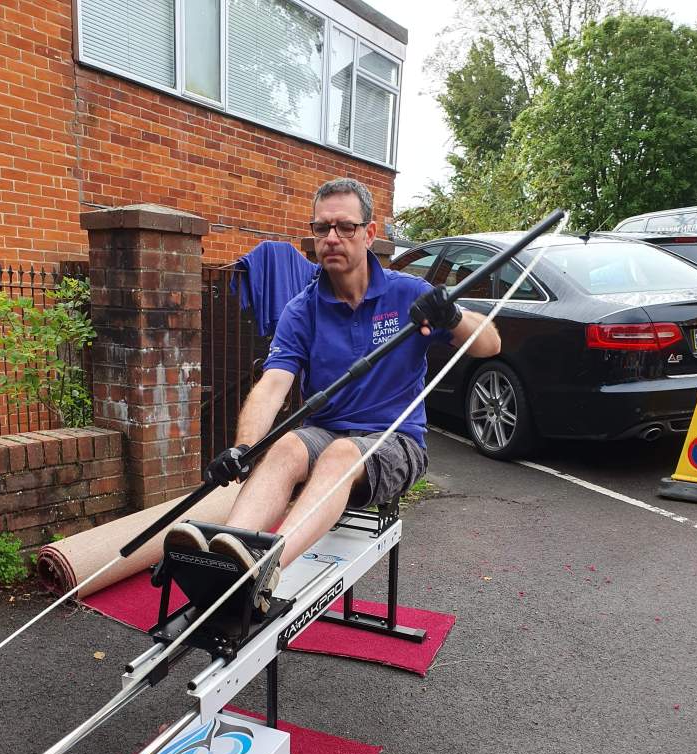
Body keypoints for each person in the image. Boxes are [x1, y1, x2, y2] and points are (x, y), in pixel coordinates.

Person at [172, 178, 500, 610]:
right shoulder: (302, 309)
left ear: (369, 232)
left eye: (345, 226)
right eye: (321, 227)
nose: (331, 237)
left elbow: (489, 344)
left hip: (395, 439)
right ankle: (226, 563)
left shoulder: (408, 294)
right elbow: (273, 384)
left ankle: (262, 574)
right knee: (287, 446)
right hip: (324, 432)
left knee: (342, 454)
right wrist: (244, 447)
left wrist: (453, 315)